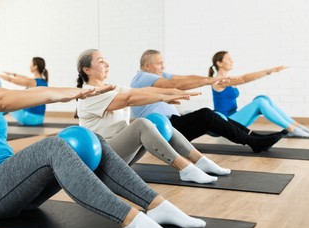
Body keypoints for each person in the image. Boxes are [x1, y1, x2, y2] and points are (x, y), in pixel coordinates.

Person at [0, 35, 207, 228]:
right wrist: (71, 95)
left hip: (15, 190)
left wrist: (77, 92)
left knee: (90, 138)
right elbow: (4, 100)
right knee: (54, 145)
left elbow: (30, 91)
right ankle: (131, 221)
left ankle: (157, 206)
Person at [76, 49, 231, 184]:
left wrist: (173, 92)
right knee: (141, 124)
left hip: (120, 151)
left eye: (106, 60)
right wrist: (163, 97)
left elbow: (141, 91)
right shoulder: (90, 94)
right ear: (87, 69)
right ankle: (185, 168)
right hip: (104, 157)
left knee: (156, 120)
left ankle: (200, 161)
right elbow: (129, 99)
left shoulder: (110, 88)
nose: (107, 64)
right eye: (101, 61)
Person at [130, 50, 285, 153]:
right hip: (163, 129)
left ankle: (257, 138)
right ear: (146, 66)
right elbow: (176, 84)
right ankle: (253, 141)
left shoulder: (155, 75)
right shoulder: (144, 77)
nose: (162, 66)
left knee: (211, 115)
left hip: (172, 124)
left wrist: (210, 79)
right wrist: (208, 81)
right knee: (205, 114)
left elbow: (182, 78)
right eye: (159, 63)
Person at [209, 51, 309, 137]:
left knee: (263, 98)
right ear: (219, 63)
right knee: (259, 102)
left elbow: (241, 79)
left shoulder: (228, 79)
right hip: (224, 124)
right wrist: (269, 71)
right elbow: (244, 79)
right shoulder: (218, 81)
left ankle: (297, 126)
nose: (232, 61)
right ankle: (292, 129)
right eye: (228, 59)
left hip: (234, 120)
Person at [0, 57, 49, 126]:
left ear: (35, 66)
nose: (29, 66)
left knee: (7, 102)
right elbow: (25, 78)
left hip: (29, 119)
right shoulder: (44, 82)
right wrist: (13, 74)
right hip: (40, 119)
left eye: (31, 64)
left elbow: (11, 80)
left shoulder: (32, 82)